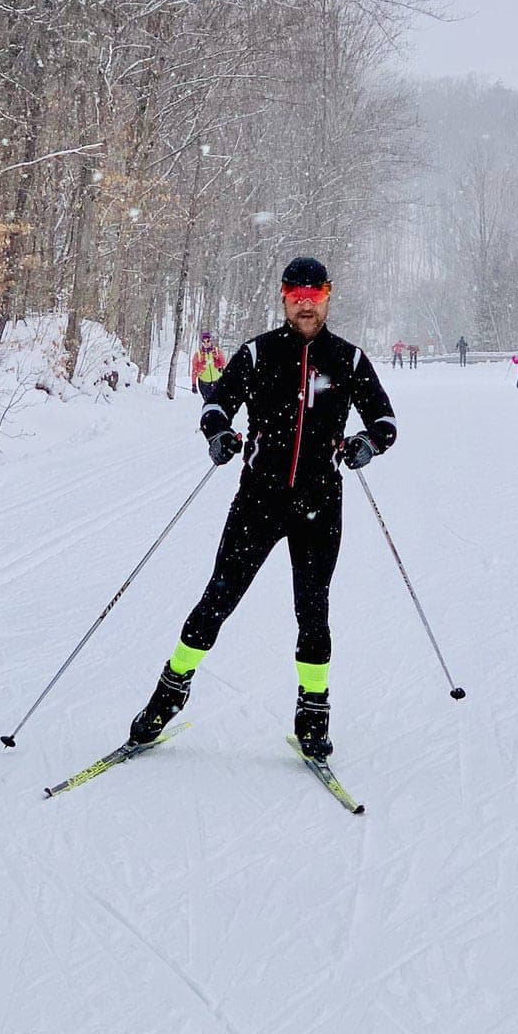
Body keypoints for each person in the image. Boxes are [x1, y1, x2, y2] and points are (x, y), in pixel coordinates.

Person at [130, 256, 397, 760]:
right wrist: (218, 436)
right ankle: (167, 697)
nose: (304, 304)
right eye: (295, 296)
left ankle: (312, 715)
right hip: (258, 503)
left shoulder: (349, 360)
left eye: (313, 295)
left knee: (313, 613)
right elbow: (216, 405)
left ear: (327, 296)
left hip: (320, 505)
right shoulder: (258, 354)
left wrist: (367, 444)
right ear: (282, 297)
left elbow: (385, 421)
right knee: (217, 601)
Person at [190, 330, 226, 400]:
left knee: (219, 402)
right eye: (204, 341)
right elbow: (194, 370)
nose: (206, 343)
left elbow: (224, 365)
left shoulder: (217, 351)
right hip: (204, 384)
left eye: (208, 341)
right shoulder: (198, 354)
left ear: (211, 341)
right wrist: (193, 384)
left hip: (217, 381)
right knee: (208, 403)